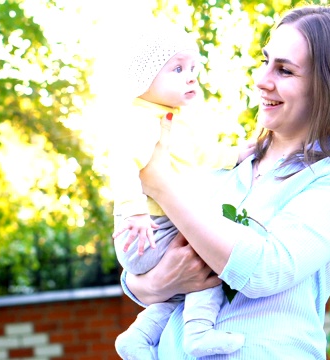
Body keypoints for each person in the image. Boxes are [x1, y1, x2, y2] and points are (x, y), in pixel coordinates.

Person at [116, 4, 330, 359]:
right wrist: (154, 283)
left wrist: (160, 185)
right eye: (265, 61)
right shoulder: (225, 162)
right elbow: (147, 266)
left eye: (284, 70)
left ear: (329, 87)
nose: (261, 79)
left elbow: (265, 270)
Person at [110, 21, 254, 360]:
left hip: (152, 231)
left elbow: (203, 154)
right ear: (145, 78)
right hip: (149, 230)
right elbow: (123, 164)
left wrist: (237, 154)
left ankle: (138, 337)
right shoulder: (143, 120)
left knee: (179, 291)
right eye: (177, 68)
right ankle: (199, 331)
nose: (190, 76)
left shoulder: (172, 119)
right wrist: (135, 212)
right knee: (213, 256)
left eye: (193, 68)